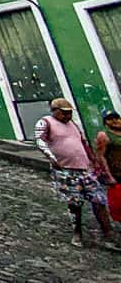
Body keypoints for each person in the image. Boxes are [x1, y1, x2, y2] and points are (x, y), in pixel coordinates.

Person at [35, 98, 119, 250]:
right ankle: (77, 233)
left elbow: (83, 142)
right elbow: (40, 141)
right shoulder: (46, 122)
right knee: (75, 203)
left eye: (69, 113)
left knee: (99, 200)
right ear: (55, 111)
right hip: (66, 170)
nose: (68, 116)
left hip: (85, 168)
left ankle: (108, 234)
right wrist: (51, 157)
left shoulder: (73, 125)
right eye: (64, 113)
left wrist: (93, 160)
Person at [96, 109, 121, 222]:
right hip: (117, 174)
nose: (114, 121)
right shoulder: (104, 135)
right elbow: (101, 156)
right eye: (110, 119)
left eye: (116, 118)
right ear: (105, 122)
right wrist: (109, 176)